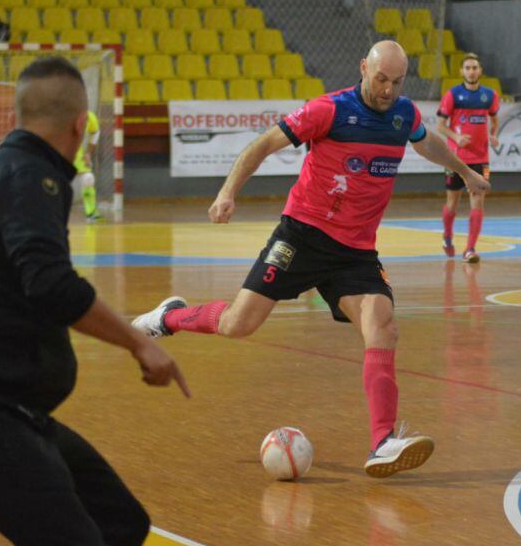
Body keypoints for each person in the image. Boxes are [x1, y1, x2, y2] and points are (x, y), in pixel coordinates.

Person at [133, 40, 490, 478]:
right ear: (364, 67)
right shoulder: (329, 110)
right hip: (302, 236)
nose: (388, 90)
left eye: (397, 82)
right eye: (381, 79)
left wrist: (466, 172)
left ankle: (382, 442)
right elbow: (262, 146)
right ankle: (170, 317)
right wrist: (227, 193)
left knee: (383, 325)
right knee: (238, 324)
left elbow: (426, 142)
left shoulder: (403, 114)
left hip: (356, 251)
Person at [0, 56, 190, 546]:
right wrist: (139, 342)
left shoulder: (21, 170)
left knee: (120, 525)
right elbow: (51, 285)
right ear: (81, 125)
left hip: (10, 410)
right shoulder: (30, 175)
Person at [437, 52, 500, 263]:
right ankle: (447, 236)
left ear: (480, 71)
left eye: (475, 67)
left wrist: (493, 134)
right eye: (468, 68)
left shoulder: (490, 96)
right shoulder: (452, 95)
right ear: (462, 71)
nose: (471, 71)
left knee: (478, 200)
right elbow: (439, 126)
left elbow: (494, 119)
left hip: (481, 159)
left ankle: (470, 249)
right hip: (455, 159)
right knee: (452, 203)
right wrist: (455, 136)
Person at [75, 109, 102, 222]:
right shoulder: (59, 114)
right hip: (57, 153)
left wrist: (88, 153)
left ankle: (91, 213)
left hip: (77, 154)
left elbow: (95, 132)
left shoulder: (88, 116)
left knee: (88, 179)